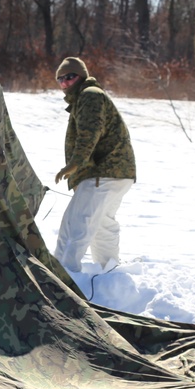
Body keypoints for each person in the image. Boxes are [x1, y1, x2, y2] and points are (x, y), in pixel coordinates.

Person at [52, 56, 136, 273]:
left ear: (82, 76)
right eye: (60, 79)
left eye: (70, 77)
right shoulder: (85, 98)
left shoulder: (90, 95)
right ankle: (109, 273)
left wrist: (74, 165)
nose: (65, 83)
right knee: (101, 226)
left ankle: (63, 276)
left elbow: (90, 133)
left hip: (102, 172)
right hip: (118, 173)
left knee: (75, 224)